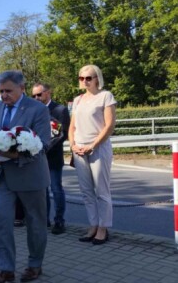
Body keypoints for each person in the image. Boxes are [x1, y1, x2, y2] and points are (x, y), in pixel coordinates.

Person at [0, 71, 50, 283]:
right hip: (2, 176)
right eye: (0, 91)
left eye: (8, 91)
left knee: (35, 222)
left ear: (22, 88)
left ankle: (34, 265)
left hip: (30, 175)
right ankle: (6, 269)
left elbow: (43, 144)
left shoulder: (38, 109)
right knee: (2, 223)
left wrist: (13, 154)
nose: (3, 95)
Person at [69, 64, 117, 245]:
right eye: (81, 78)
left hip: (98, 148)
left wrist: (92, 145)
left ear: (97, 78)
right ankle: (93, 225)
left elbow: (109, 125)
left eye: (88, 78)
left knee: (102, 191)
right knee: (86, 192)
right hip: (79, 150)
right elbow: (72, 127)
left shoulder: (105, 96)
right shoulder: (78, 100)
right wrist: (73, 145)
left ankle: (103, 228)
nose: (84, 81)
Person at [32, 82, 71, 235]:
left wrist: (46, 146)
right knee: (42, 190)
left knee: (56, 189)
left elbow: (63, 134)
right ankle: (44, 220)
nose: (36, 98)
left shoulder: (59, 110)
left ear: (48, 93)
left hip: (53, 156)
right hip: (38, 157)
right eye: (33, 95)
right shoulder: (34, 111)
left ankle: (59, 220)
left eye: (39, 94)